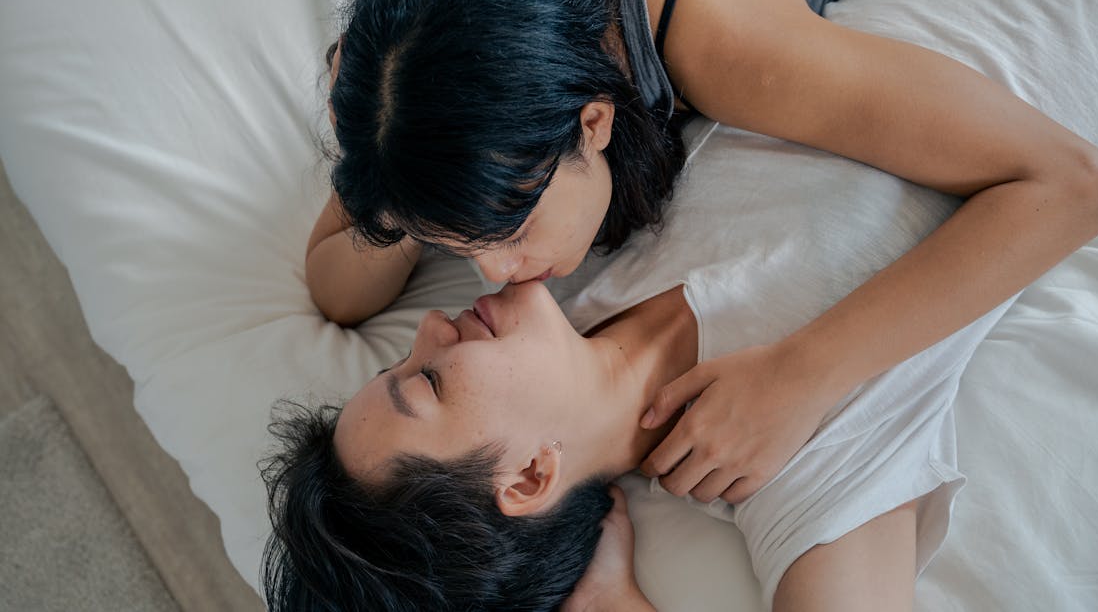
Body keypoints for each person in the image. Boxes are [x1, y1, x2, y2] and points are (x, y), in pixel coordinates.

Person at [305, 0, 1098, 515]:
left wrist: (801, 375)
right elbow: (333, 283)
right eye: (464, 247)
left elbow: (1073, 183)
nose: (493, 274)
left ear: (594, 125)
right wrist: (428, 182)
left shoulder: (732, 49)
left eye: (512, 227)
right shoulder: (414, 50)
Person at [266, 117, 1024, 611]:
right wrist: (609, 605)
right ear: (530, 476)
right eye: (426, 381)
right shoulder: (796, 469)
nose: (429, 327)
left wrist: (404, 142)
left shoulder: (562, 240)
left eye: (399, 360)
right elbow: (1064, 186)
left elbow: (334, 279)